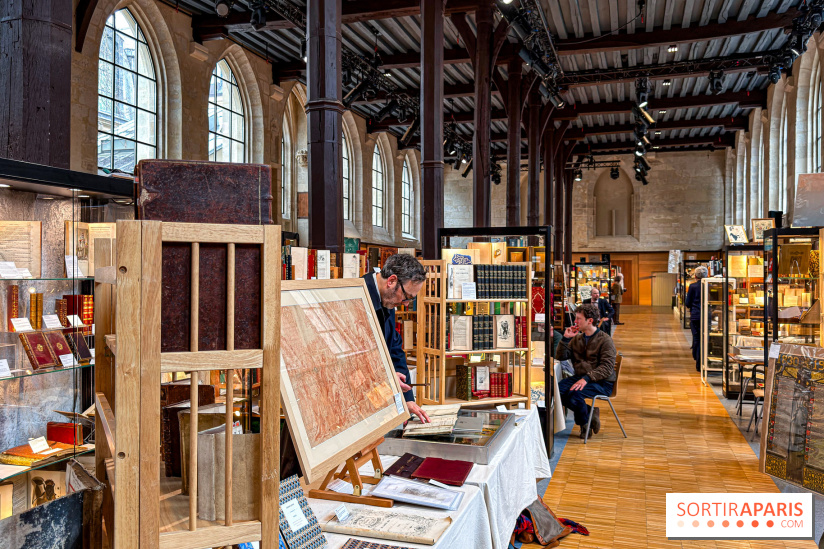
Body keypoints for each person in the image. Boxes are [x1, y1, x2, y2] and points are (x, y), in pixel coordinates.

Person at [363, 254, 431, 423]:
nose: (406, 304)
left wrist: (408, 398)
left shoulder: (388, 298)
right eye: (407, 297)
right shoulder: (356, 296)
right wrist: (385, 377)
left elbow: (395, 350)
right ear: (391, 281)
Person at [556, 303, 617, 439]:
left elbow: (606, 368)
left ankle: (585, 425)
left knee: (574, 394)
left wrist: (586, 379)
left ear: (590, 321)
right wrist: (565, 339)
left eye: (578, 318)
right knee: (556, 391)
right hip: (580, 377)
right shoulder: (577, 338)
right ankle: (589, 412)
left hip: (602, 382)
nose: (575, 321)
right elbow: (561, 356)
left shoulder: (605, 340)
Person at [684, 266, 708, 372]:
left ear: (695, 276)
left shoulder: (692, 286)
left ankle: (698, 362)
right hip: (707, 316)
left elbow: (688, 303)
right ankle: (704, 362)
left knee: (697, 338)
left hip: (695, 315)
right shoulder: (710, 285)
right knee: (706, 339)